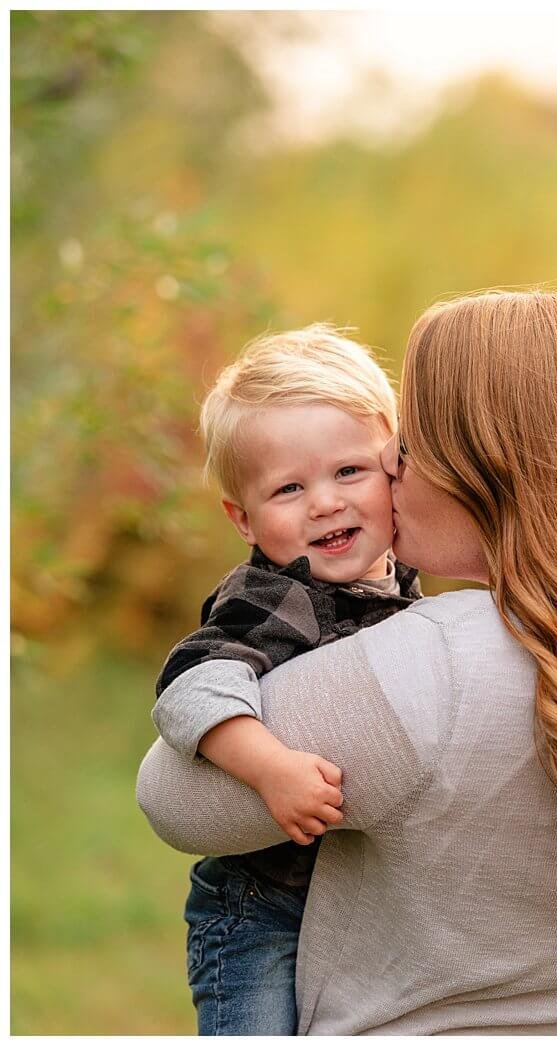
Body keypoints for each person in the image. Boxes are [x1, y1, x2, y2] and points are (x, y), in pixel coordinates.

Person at [139, 288, 557, 1034]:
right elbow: (194, 682)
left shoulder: (434, 663)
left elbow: (170, 797)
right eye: (292, 487)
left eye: (401, 448)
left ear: (486, 469)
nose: (393, 471)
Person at [151, 325, 420, 1035]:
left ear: (397, 467)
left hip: (352, 895)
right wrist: (269, 768)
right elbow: (190, 684)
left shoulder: (403, 587)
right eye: (289, 488)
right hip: (259, 909)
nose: (325, 504)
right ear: (242, 519)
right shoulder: (275, 597)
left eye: (349, 473)